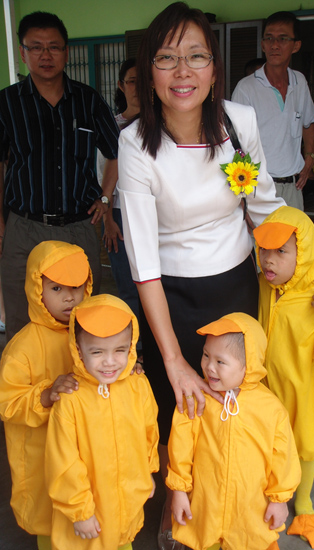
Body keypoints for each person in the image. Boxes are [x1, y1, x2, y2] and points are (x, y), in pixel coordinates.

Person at [117, 3, 285, 547]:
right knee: (180, 409)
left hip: (236, 285)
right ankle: (180, 515)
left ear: (214, 68)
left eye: (196, 57)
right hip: (169, 297)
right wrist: (172, 360)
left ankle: (235, 508)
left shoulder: (240, 122)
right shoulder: (136, 144)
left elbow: (263, 207)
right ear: (148, 72)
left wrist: (311, 269)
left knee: (234, 403)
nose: (182, 72)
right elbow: (143, 261)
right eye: (167, 59)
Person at [0, 11, 119, 341]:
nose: (45, 55)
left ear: (66, 52)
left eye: (54, 47)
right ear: (23, 53)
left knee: (80, 318)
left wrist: (105, 198)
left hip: (78, 227)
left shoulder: (89, 101)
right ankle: (26, 389)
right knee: (23, 320)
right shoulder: (6, 103)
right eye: (36, 47)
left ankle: (78, 387)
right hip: (23, 227)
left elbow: (116, 152)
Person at [166, 312, 301, 550]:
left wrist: (280, 500)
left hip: (250, 509)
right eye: (206, 355)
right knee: (203, 541)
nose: (209, 367)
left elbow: (284, 457)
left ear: (249, 364)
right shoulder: (198, 399)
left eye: (220, 362)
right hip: (205, 503)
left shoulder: (271, 409)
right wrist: (179, 491)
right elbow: (181, 447)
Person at [45, 294, 159, 550]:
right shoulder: (71, 399)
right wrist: (80, 511)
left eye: (120, 350)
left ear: (131, 346)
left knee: (122, 541)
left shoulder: (138, 386)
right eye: (97, 352)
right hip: (87, 518)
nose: (110, 362)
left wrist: (147, 472)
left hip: (125, 506)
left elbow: (149, 434)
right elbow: (63, 463)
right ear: (78, 349)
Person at [0, 240, 92, 550]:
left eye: (78, 287)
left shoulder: (91, 334)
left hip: (87, 459)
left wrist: (126, 368)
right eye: (56, 289)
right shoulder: (21, 349)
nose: (70, 297)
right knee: (53, 528)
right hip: (42, 464)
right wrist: (45, 395)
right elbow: (7, 403)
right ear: (35, 288)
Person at [254, 205, 314, 547]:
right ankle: (269, 495)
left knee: (304, 446)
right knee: (269, 442)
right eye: (264, 250)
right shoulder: (265, 283)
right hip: (267, 387)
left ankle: (303, 505)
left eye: (281, 252)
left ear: (302, 256)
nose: (269, 260)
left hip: (303, 391)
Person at [232, 11, 314, 211]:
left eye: (282, 38)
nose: (274, 45)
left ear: (296, 46)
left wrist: (310, 157)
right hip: (259, 189)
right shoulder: (246, 88)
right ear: (262, 44)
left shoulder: (300, 82)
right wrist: (243, 197)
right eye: (269, 38)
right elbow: (233, 144)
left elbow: (308, 123)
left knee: (294, 241)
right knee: (260, 243)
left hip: (294, 188)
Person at [97, 58, 142, 359]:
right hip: (120, 219)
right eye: (132, 81)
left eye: (144, 80)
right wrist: (110, 221)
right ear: (120, 85)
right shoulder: (110, 127)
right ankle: (135, 352)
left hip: (155, 220)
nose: (138, 88)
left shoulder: (161, 125)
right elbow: (102, 175)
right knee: (128, 287)